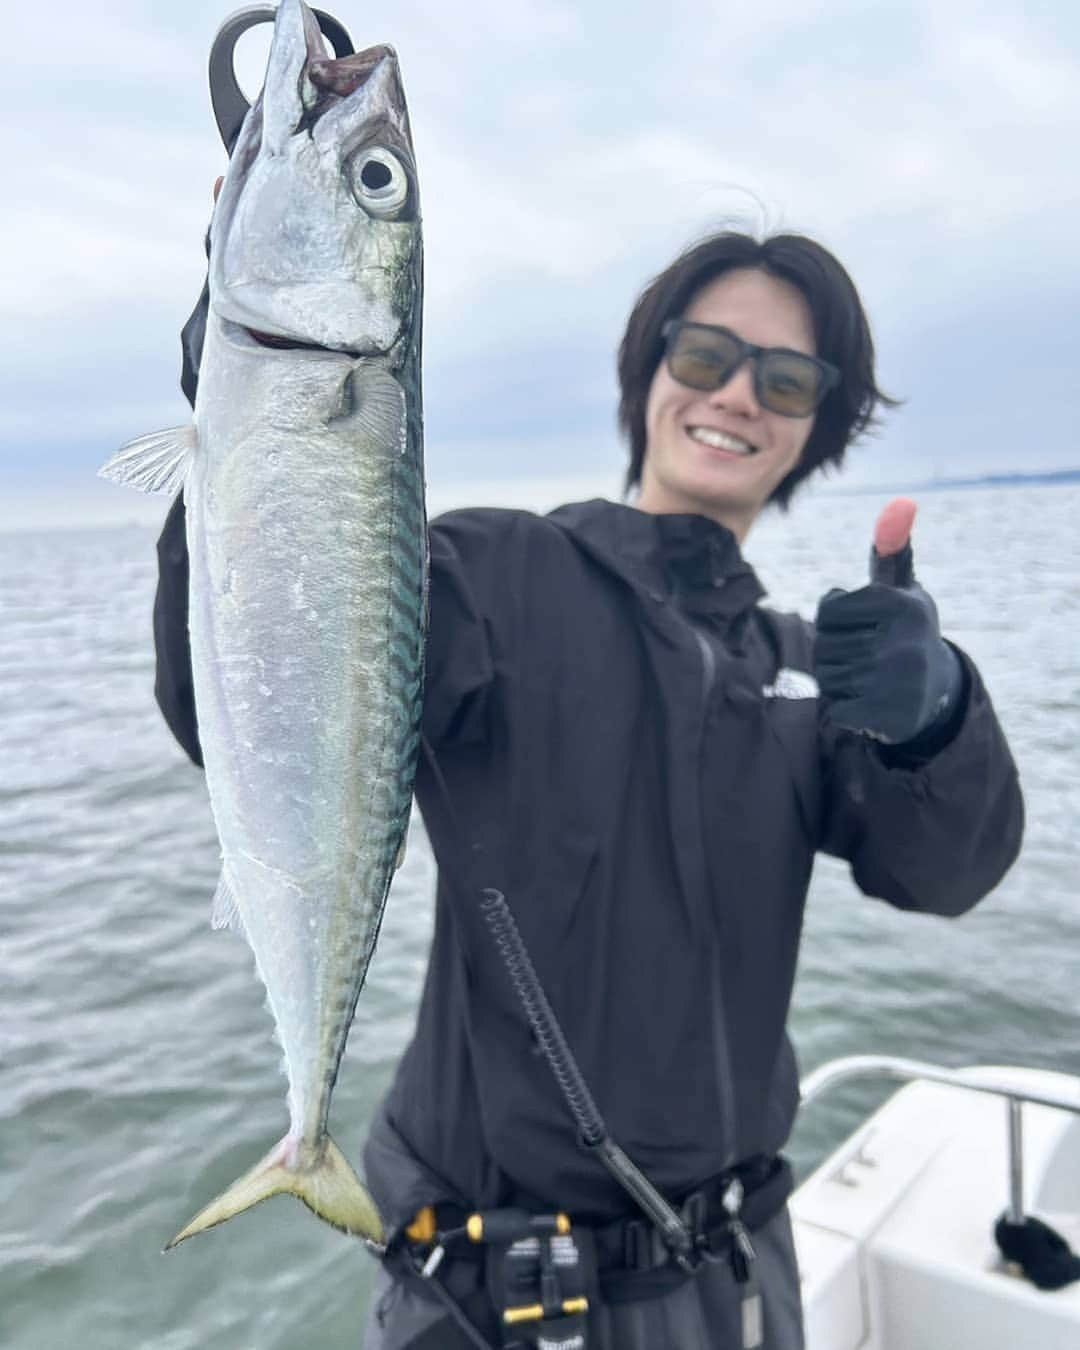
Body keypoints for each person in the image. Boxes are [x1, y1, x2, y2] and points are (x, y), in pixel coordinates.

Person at [152, 230, 1024, 1350]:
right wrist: (252, 405)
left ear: (817, 428)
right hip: (484, 1301)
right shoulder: (494, 578)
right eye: (708, 355)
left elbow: (946, 871)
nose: (740, 396)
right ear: (649, 371)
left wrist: (938, 716)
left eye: (788, 378)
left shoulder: (812, 669)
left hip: (739, 1289)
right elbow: (247, 706)